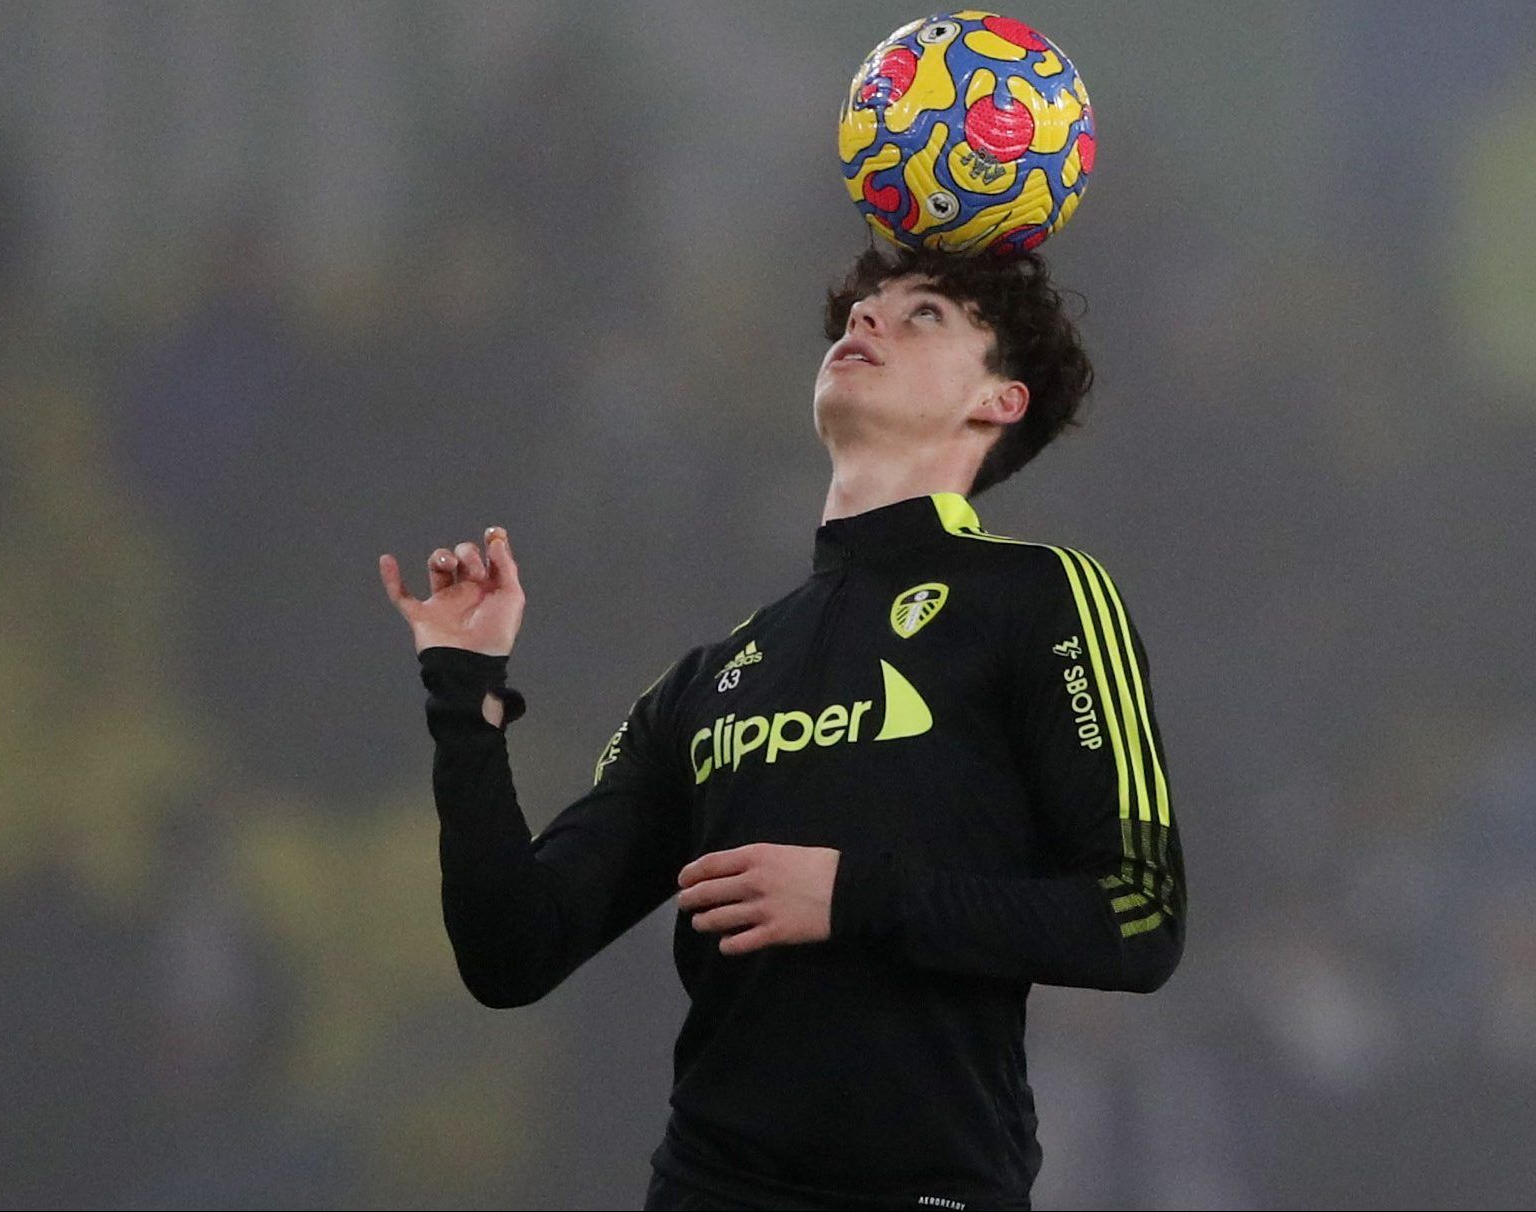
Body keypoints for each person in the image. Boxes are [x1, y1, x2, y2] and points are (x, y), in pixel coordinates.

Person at [378, 243, 1186, 1211]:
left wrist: (855, 896)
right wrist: (464, 692)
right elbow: (512, 952)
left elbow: (1139, 916)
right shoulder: (705, 680)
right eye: (859, 310)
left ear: (998, 400)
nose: (864, 322)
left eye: (923, 313)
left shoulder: (1040, 598)